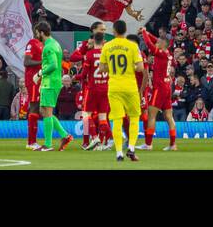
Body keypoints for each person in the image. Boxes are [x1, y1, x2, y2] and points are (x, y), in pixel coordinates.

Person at [98, 18, 144, 162]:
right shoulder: (132, 46)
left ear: (114, 31)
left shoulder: (107, 46)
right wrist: (132, 67)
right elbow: (140, 67)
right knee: (135, 117)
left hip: (114, 87)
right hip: (130, 86)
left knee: (117, 120)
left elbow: (102, 68)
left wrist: (111, 68)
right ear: (125, 31)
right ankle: (131, 147)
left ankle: (118, 152)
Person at [68, 21, 109, 149]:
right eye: (101, 29)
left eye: (104, 29)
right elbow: (73, 57)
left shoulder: (105, 45)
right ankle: (87, 140)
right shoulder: (87, 44)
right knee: (97, 115)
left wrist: (87, 58)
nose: (103, 31)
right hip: (94, 86)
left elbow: (84, 72)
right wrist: (85, 55)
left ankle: (101, 140)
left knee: (91, 115)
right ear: (93, 30)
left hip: (93, 85)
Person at [35, 21, 72, 151]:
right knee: (44, 111)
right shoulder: (55, 44)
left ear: (42, 33)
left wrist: (39, 73)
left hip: (50, 83)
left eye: (37, 33)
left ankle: (48, 144)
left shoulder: (49, 46)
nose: (37, 35)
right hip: (52, 82)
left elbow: (53, 64)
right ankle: (64, 135)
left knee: (47, 112)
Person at [143, 30, 178, 151]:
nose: (156, 42)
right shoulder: (168, 53)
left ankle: (148, 144)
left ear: (164, 44)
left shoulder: (161, 53)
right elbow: (153, 40)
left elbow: (149, 44)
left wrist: (143, 32)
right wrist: (148, 33)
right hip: (167, 87)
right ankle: (173, 145)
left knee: (151, 115)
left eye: (159, 42)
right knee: (169, 116)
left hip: (160, 88)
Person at [22, 31, 44, 151]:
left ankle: (32, 141)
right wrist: (43, 62)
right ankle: (31, 142)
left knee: (38, 107)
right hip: (33, 79)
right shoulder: (32, 43)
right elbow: (26, 62)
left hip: (40, 79)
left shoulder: (42, 45)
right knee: (34, 107)